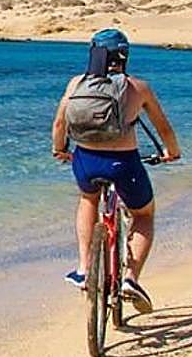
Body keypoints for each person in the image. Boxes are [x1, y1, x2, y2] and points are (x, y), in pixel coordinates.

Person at [50, 29, 181, 314]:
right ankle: (130, 280)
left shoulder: (76, 84)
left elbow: (60, 125)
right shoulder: (138, 87)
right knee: (144, 215)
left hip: (85, 162)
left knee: (88, 200)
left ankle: (84, 267)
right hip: (124, 165)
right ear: (124, 56)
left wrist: (60, 150)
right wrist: (172, 152)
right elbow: (164, 128)